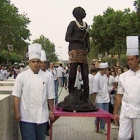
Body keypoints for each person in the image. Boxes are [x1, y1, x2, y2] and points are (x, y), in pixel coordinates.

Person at [12, 43, 55, 140]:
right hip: (26, 116)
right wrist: (16, 112)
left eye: (38, 61)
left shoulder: (47, 77)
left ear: (41, 62)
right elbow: (16, 96)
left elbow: (50, 96)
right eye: (33, 61)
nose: (36, 63)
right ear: (29, 62)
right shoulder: (21, 77)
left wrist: (52, 112)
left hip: (42, 116)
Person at [114, 36, 140, 140]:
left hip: (139, 112)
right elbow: (119, 95)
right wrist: (115, 112)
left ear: (138, 59)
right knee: (122, 137)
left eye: (132, 59)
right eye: (128, 60)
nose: (130, 62)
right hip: (125, 111)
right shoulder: (123, 76)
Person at [65, 6, 90, 97]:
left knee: (85, 74)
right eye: (83, 11)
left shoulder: (85, 25)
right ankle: (71, 92)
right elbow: (67, 38)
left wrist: (88, 46)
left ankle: (86, 94)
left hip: (83, 51)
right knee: (72, 73)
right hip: (74, 50)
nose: (85, 13)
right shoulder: (73, 24)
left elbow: (87, 37)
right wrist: (79, 40)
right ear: (78, 13)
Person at [93, 63, 110, 134]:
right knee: (100, 114)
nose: (107, 70)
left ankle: (102, 128)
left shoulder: (105, 76)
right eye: (106, 69)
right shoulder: (96, 78)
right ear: (103, 69)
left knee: (105, 114)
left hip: (106, 98)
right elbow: (95, 90)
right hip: (99, 99)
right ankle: (96, 123)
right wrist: (94, 101)